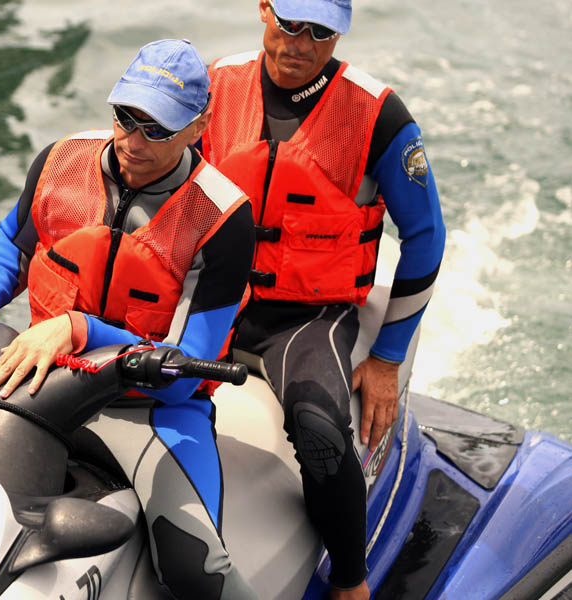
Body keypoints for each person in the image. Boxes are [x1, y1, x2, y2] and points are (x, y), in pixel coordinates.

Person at [0, 39, 258, 599]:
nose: (133, 141)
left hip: (150, 414)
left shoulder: (223, 217)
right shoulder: (60, 161)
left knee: (194, 570)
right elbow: (14, 240)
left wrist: (81, 329)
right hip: (38, 393)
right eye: (125, 118)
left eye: (156, 128)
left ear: (199, 126)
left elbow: (182, 376)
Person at [200, 1, 447, 598]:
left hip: (308, 317)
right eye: (289, 23)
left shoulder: (379, 114)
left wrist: (386, 360)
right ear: (264, 8)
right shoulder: (211, 87)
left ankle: (351, 582)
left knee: (320, 431)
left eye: (321, 31)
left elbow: (426, 238)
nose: (301, 43)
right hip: (209, 302)